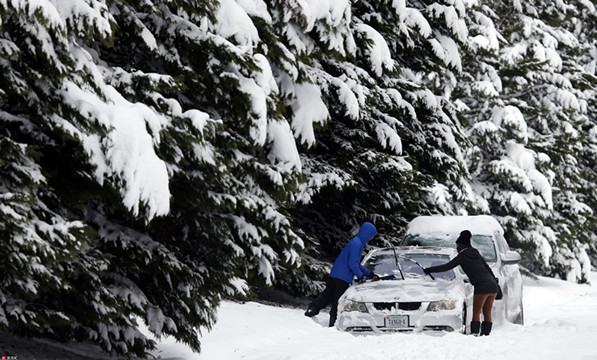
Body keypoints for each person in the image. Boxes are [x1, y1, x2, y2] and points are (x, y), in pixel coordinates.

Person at [423, 230, 498, 336]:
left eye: (457, 244)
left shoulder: (462, 256)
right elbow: (487, 268)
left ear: (460, 245)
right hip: (492, 286)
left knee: (476, 312)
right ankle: (486, 335)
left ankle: (475, 334)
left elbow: (448, 266)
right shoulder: (475, 252)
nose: (456, 246)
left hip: (481, 286)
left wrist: (430, 270)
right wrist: (496, 283)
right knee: (487, 313)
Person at [304, 222, 378, 327]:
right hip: (343, 278)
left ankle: (313, 309)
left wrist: (368, 274)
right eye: (371, 236)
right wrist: (360, 276)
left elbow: (356, 264)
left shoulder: (355, 242)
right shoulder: (357, 244)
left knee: (327, 295)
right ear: (367, 234)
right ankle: (333, 323)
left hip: (336, 274)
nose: (371, 239)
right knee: (338, 301)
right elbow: (352, 264)